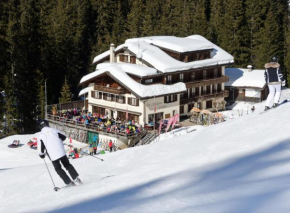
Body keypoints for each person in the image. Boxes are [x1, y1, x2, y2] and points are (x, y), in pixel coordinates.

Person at [37, 120, 81, 186]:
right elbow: (64, 137)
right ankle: (76, 179)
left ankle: (69, 182)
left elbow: (41, 149)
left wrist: (42, 155)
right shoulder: (53, 130)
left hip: (53, 156)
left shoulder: (41, 136)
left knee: (58, 169)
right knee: (67, 165)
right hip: (61, 152)